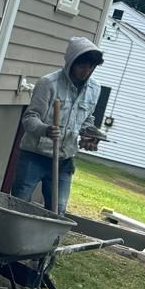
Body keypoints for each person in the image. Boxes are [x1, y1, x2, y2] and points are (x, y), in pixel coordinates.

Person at [12, 36, 106, 213]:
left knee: (58, 210)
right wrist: (45, 129)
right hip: (35, 155)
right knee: (18, 203)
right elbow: (30, 117)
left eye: (91, 67)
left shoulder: (94, 89)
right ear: (71, 63)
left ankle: (47, 240)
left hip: (64, 159)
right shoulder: (49, 83)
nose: (86, 71)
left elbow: (86, 120)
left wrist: (90, 135)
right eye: (82, 66)